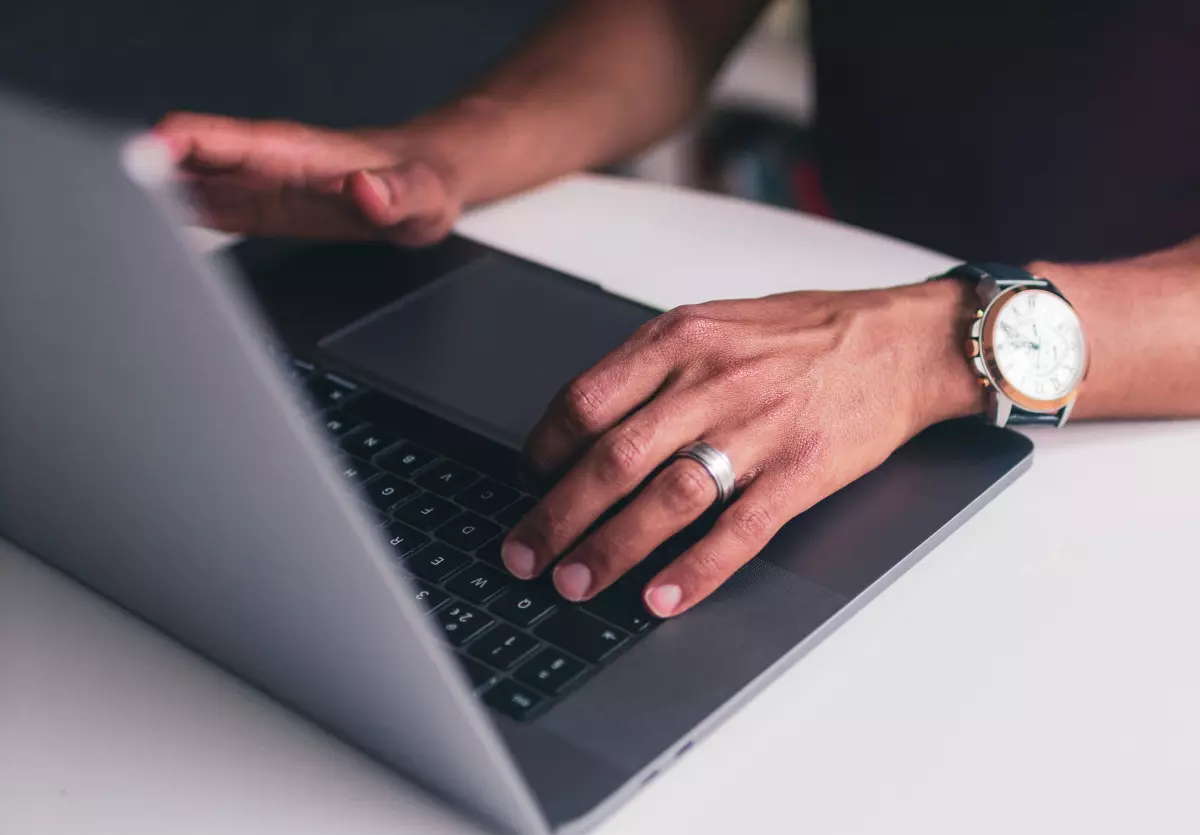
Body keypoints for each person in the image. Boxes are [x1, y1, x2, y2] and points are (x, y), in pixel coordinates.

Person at [155, 0, 1200, 619]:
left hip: (1144, 424)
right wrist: (449, 154)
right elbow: (673, 17)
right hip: (850, 309)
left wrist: (936, 339)